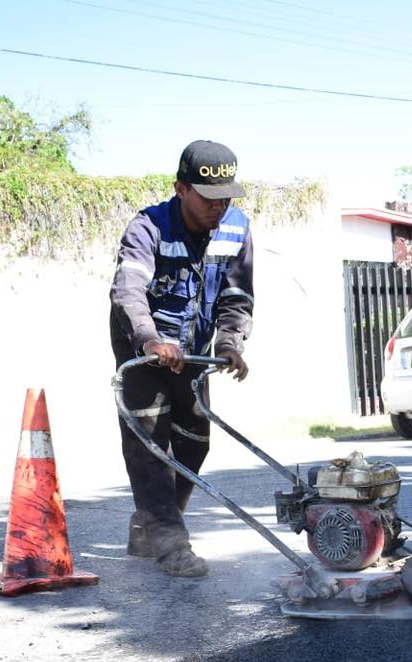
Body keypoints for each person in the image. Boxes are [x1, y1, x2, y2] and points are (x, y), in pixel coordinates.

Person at [109, 140, 254, 577]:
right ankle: (171, 545)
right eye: (208, 198)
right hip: (143, 348)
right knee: (150, 443)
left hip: (193, 348)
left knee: (194, 440)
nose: (218, 206)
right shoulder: (148, 227)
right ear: (181, 189)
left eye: (225, 197)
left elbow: (236, 295)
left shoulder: (236, 227)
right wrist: (150, 340)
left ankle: (151, 526)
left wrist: (230, 344)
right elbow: (128, 291)